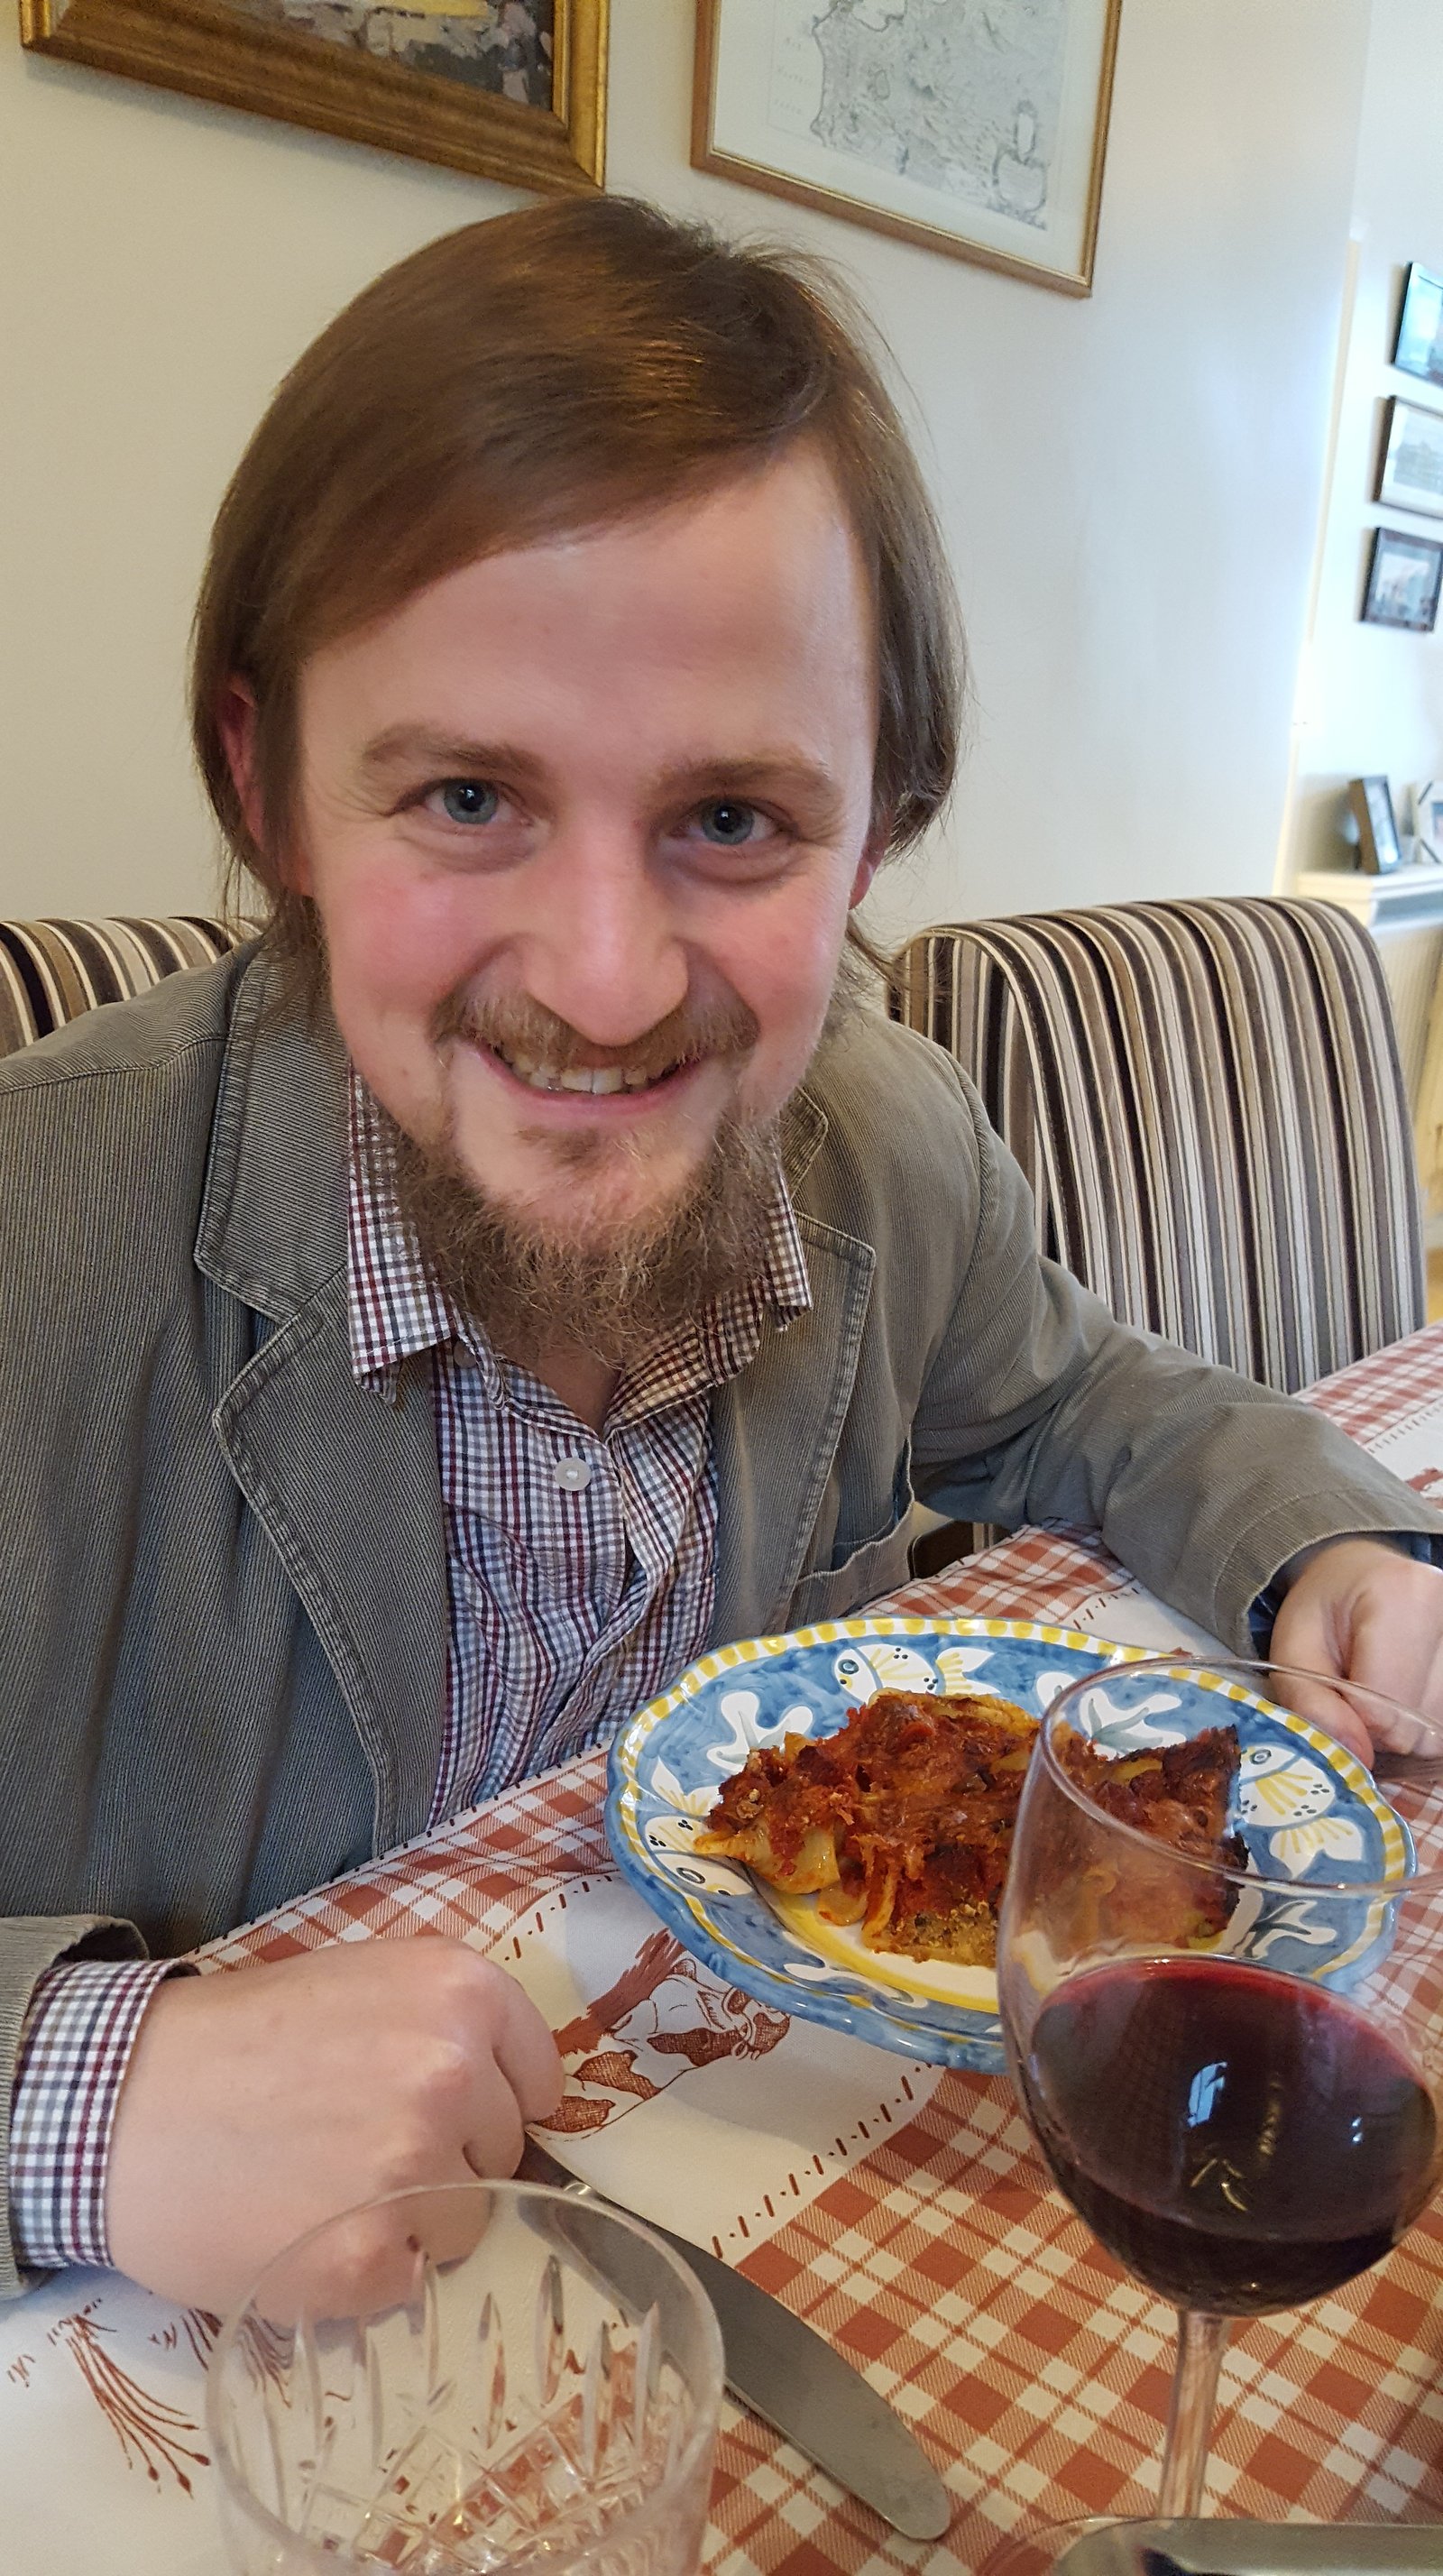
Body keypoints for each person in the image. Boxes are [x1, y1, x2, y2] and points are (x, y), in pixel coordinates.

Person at [2, 195, 1440, 2315]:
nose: (601, 986)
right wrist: (80, 2093)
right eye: (469, 795)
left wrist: (1328, 1548)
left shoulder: (876, 1135)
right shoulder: (37, 1248)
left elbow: (1080, 1395)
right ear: (270, 789)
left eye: (734, 822)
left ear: (879, 828)